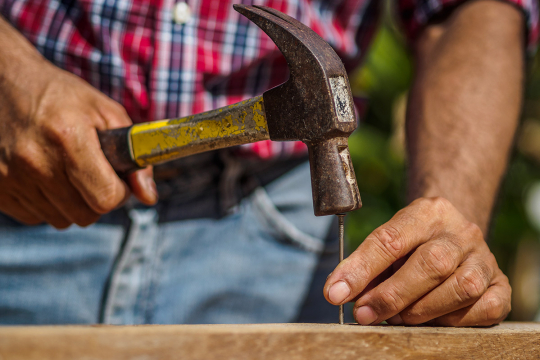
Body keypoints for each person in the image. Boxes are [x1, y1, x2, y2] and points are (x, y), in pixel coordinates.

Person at [0, 0, 535, 326]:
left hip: (281, 232)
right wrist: (9, 75)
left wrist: (448, 231)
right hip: (26, 191)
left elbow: (468, 7)